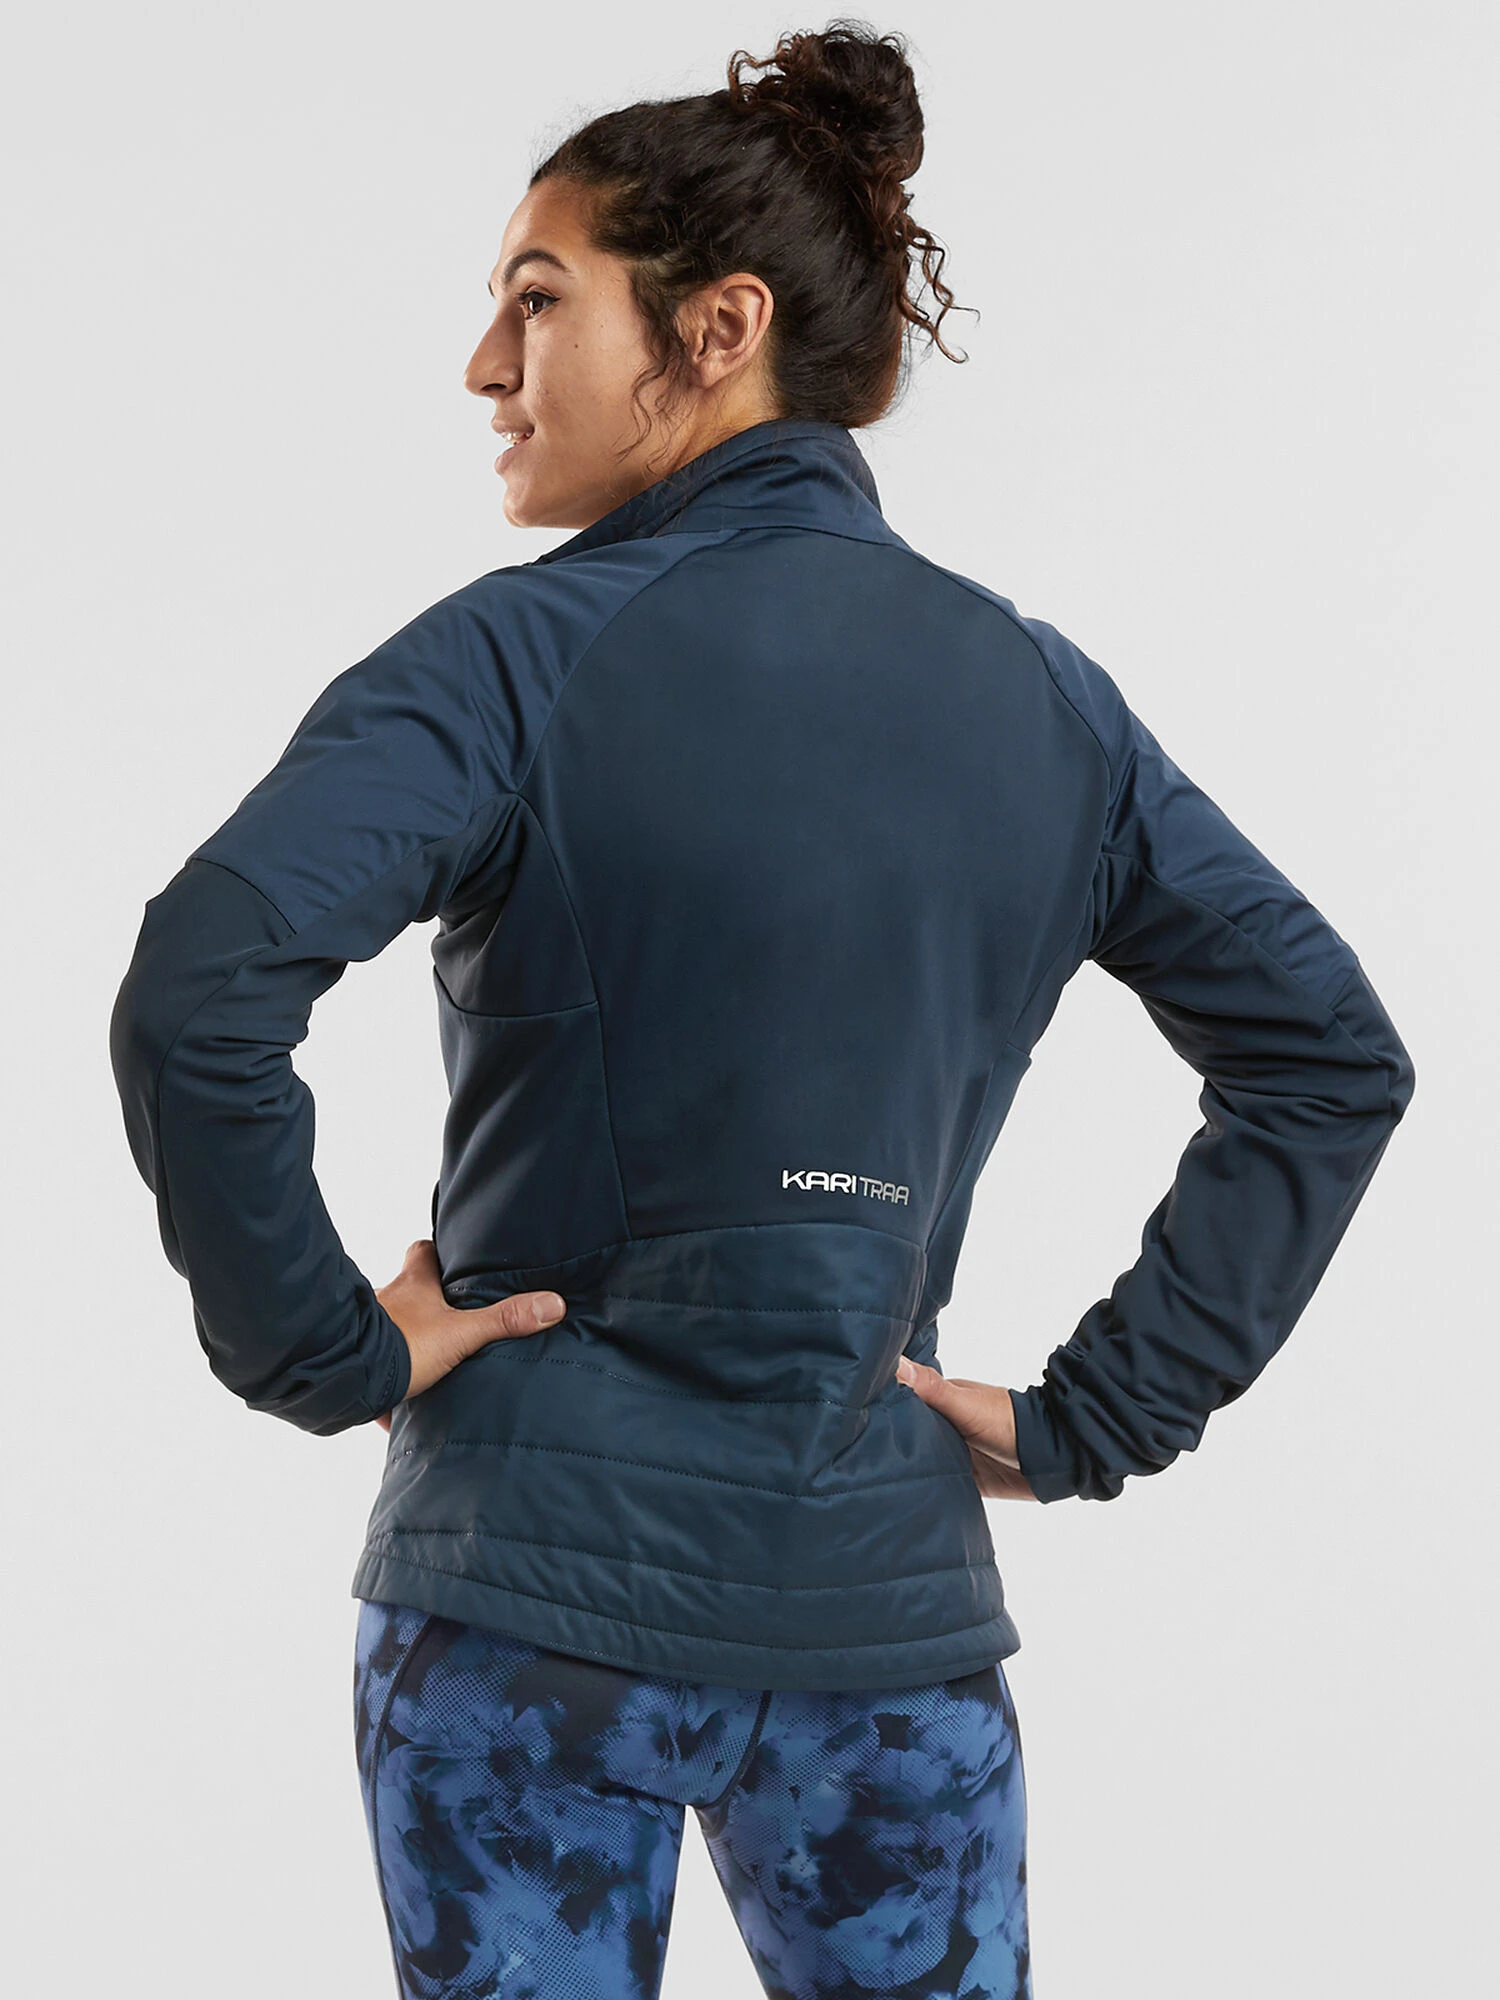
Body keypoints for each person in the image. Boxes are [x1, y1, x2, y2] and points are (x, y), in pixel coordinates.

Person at [108, 21, 1415, 2000]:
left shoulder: (515, 663)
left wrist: (325, 1350)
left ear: (719, 327)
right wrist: (1099, 1419)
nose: (484, 367)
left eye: (537, 301)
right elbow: (1328, 1057)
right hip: (888, 1628)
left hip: (525, 1616)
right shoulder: (1046, 703)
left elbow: (204, 985)